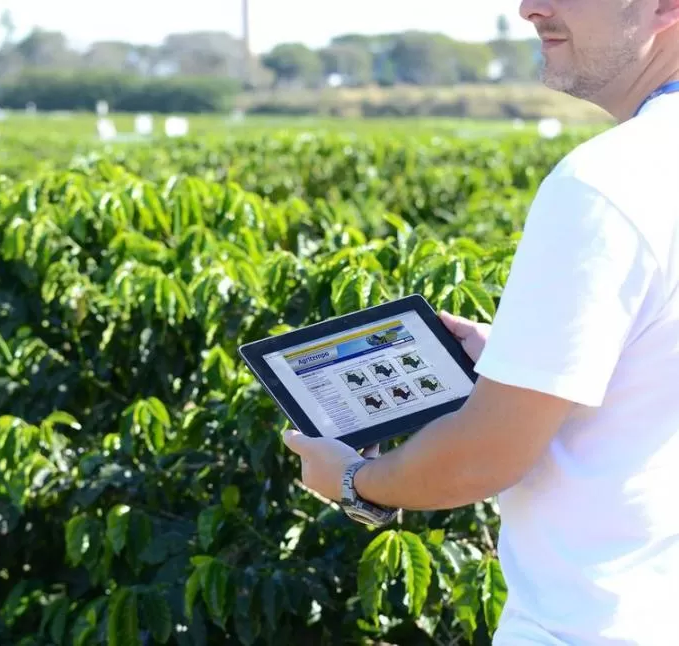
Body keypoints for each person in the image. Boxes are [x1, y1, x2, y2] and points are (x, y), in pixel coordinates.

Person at [282, 1, 679, 644]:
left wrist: (357, 482)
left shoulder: (608, 181)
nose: (529, 8)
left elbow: (486, 456)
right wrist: (528, 369)